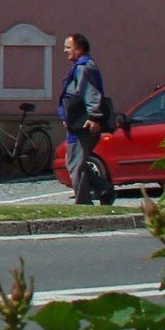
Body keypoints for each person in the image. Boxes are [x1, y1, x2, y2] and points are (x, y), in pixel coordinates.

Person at [57, 34, 111, 205]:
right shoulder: (81, 66)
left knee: (75, 164)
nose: (65, 50)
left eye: (68, 47)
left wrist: (94, 117)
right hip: (77, 123)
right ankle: (104, 189)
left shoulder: (83, 67)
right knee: (75, 161)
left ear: (79, 48)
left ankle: (83, 203)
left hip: (84, 125)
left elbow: (91, 93)